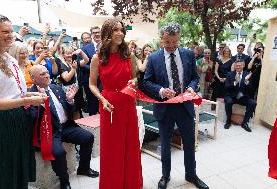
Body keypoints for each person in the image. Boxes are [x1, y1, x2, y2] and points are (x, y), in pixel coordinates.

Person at [144, 22, 208, 189]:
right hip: (165, 107)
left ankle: (191, 174)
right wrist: (160, 90)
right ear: (161, 39)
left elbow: (194, 77)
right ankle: (165, 176)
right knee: (165, 143)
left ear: (179, 38)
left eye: (174, 42)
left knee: (189, 141)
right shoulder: (153, 58)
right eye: (167, 43)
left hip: (184, 106)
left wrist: (191, 88)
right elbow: (146, 82)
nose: (171, 46)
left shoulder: (188, 54)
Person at [0, 14, 46, 189]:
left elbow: (14, 93)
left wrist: (29, 97)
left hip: (18, 119)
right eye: (4, 31)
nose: (10, 35)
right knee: (6, 172)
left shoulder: (11, 59)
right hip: (1, 122)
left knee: (18, 169)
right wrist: (23, 102)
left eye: (12, 31)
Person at [89, 18, 143, 189]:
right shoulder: (97, 58)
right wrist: (103, 99)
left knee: (130, 145)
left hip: (127, 104)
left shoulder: (130, 55)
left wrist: (133, 82)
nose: (120, 33)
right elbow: (91, 84)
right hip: (109, 105)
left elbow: (134, 77)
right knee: (112, 149)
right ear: (107, 33)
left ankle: (131, 184)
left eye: (122, 30)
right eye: (116, 30)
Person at [29, 65, 99, 189]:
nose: (46, 75)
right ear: (33, 78)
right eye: (42, 74)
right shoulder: (31, 94)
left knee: (88, 137)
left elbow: (70, 109)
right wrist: (41, 102)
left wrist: (70, 101)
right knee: (58, 152)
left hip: (66, 126)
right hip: (49, 131)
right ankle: (64, 180)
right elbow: (32, 118)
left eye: (46, 72)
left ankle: (83, 168)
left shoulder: (56, 88)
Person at [223, 60, 256, 132]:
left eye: (240, 65)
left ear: (243, 66)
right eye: (236, 65)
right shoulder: (230, 74)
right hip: (231, 95)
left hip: (242, 96)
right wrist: (235, 82)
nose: (238, 67)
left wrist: (246, 81)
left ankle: (245, 123)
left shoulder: (247, 74)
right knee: (228, 101)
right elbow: (226, 87)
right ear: (234, 66)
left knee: (253, 103)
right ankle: (228, 121)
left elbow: (252, 89)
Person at [81, 26, 102, 115]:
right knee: (92, 106)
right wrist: (94, 70)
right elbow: (81, 64)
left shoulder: (106, 45)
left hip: (104, 80)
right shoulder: (85, 48)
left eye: (98, 32)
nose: (97, 34)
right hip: (90, 80)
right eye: (94, 33)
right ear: (92, 35)